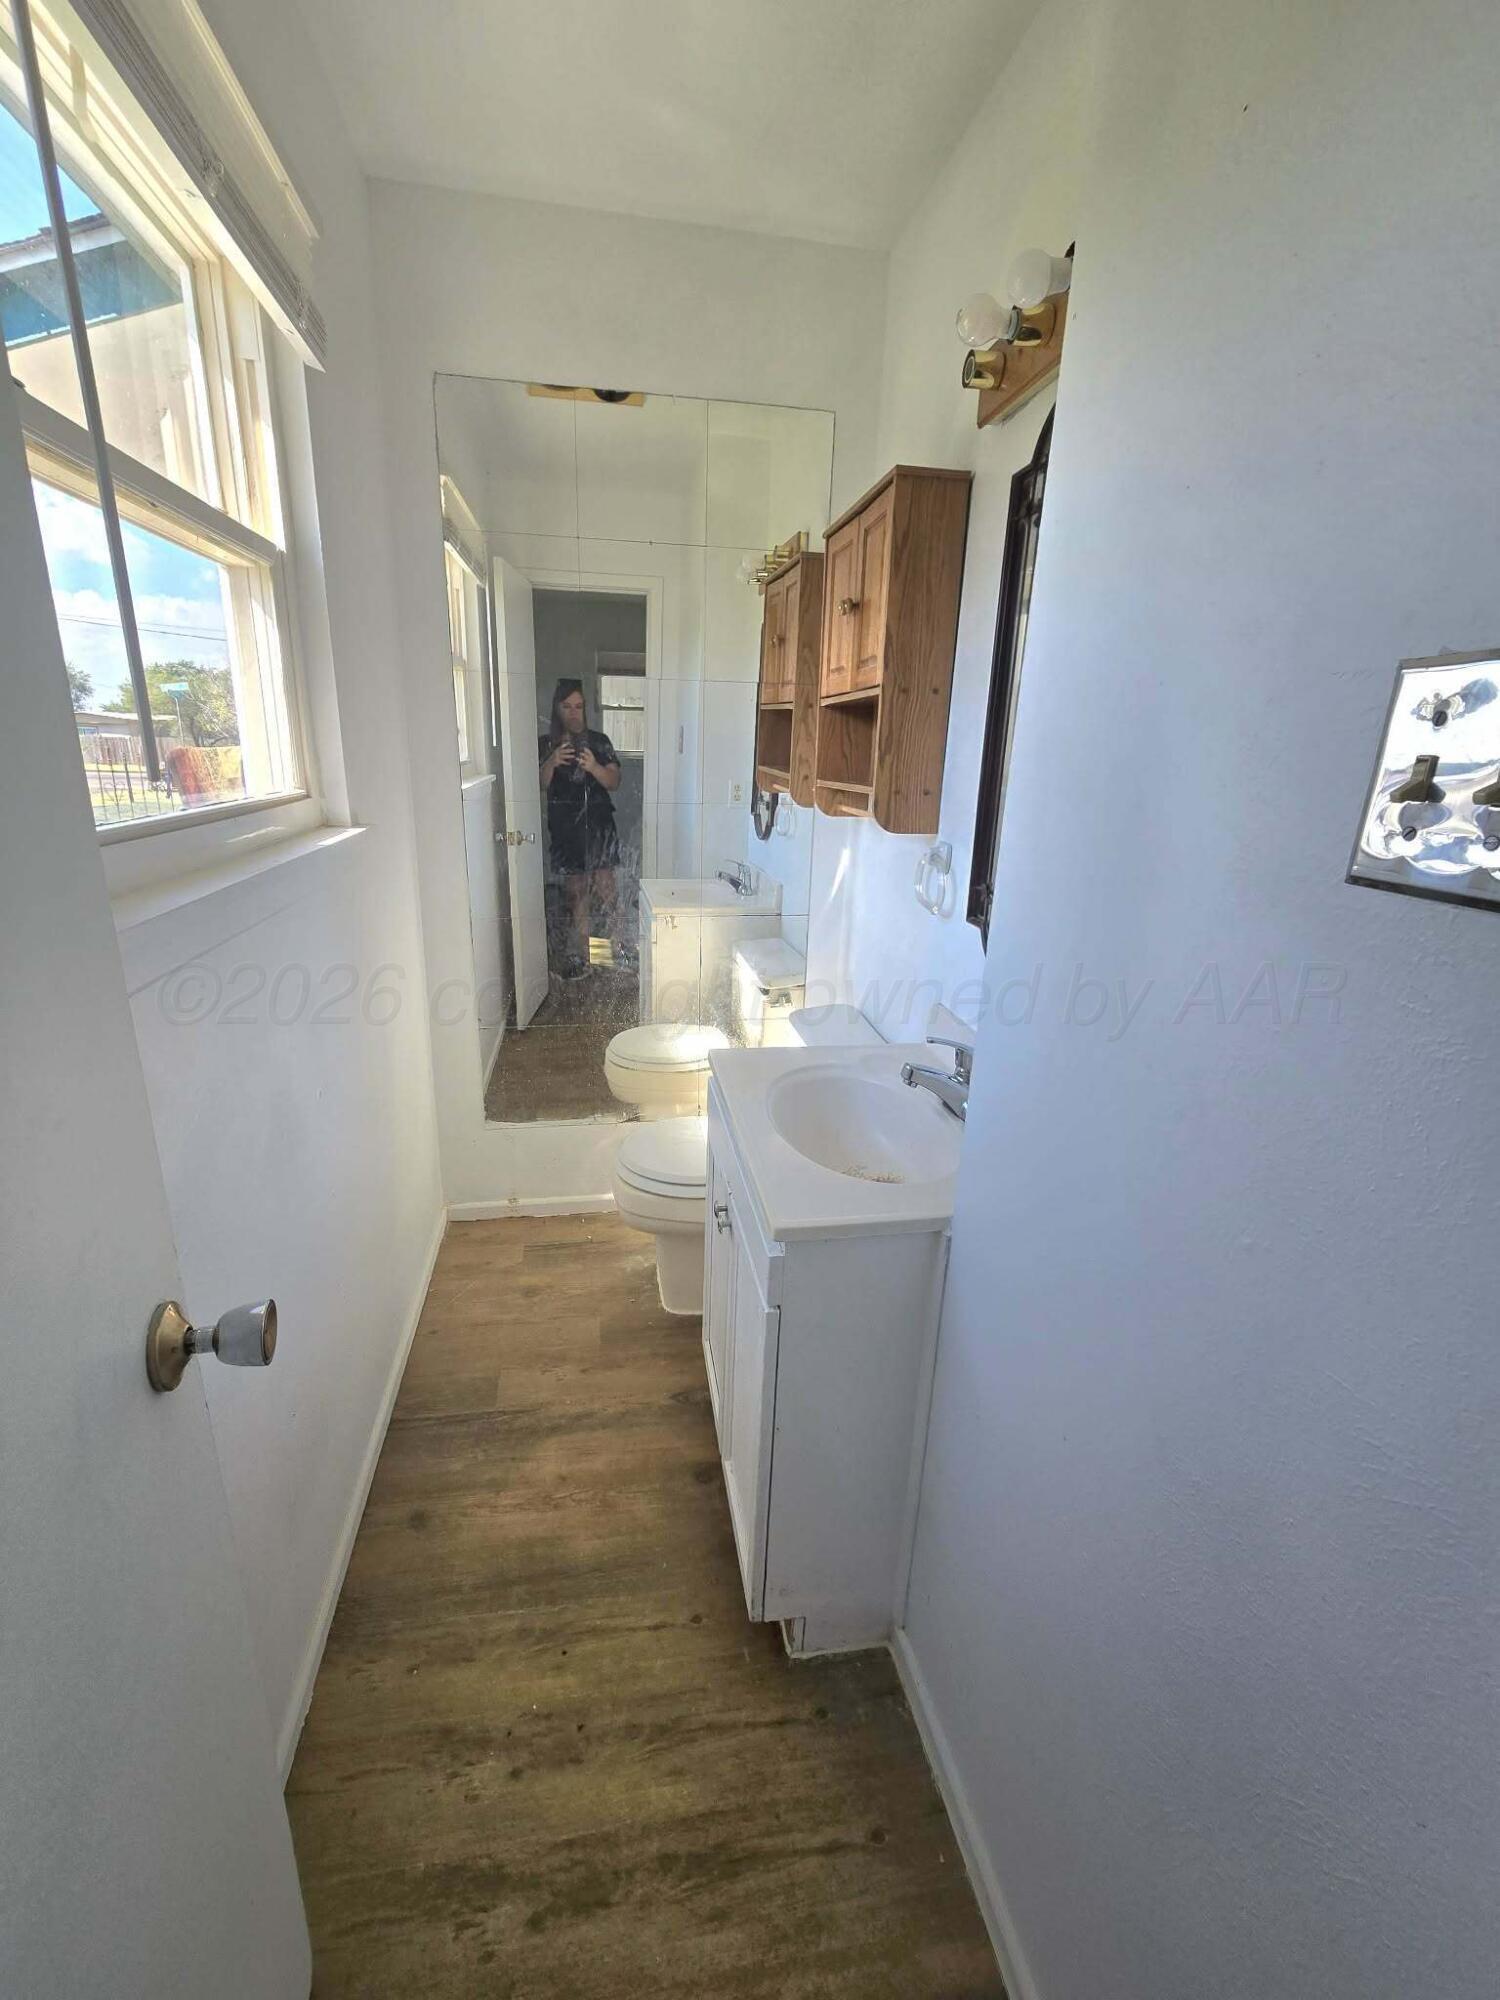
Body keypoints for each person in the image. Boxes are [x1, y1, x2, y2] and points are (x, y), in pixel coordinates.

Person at [538, 678, 623, 978]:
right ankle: (589, 957)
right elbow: (537, 784)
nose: (574, 713)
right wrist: (551, 761)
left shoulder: (599, 741)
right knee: (577, 895)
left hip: (598, 828)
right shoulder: (546, 744)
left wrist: (594, 767)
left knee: (606, 892)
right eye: (567, 707)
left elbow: (614, 782)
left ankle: (612, 954)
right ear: (557, 709)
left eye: (579, 706)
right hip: (566, 831)